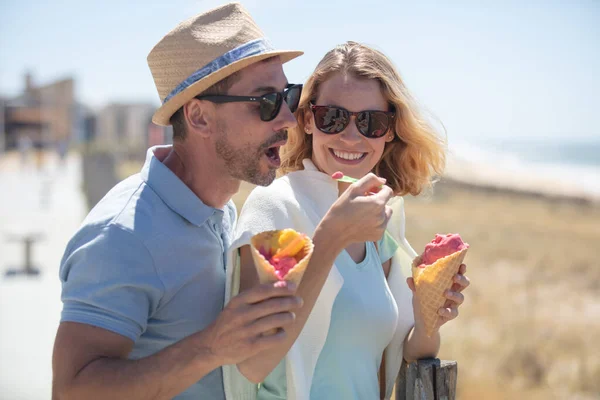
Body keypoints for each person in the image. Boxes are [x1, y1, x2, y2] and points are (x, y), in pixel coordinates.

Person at [51, 5, 394, 400]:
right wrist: (209, 348)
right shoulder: (123, 234)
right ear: (198, 118)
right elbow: (71, 389)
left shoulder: (223, 211)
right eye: (266, 102)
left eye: (288, 96)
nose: (288, 118)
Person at [225, 41, 471, 399]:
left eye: (371, 122)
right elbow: (252, 362)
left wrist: (427, 316)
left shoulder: (382, 222)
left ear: (390, 131)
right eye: (333, 117)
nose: (351, 136)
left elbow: (404, 355)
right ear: (307, 120)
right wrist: (331, 239)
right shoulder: (277, 209)